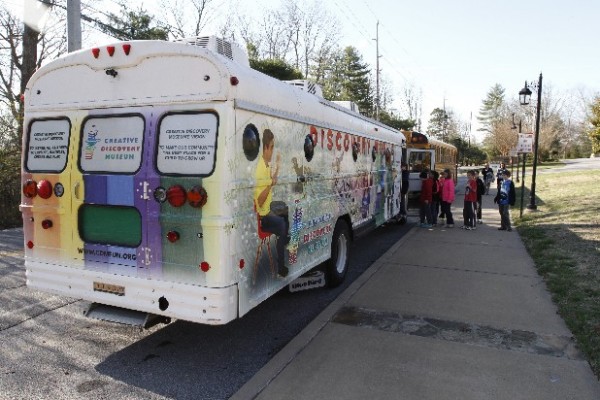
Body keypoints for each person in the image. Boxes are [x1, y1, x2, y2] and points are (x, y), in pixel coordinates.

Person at [254, 129, 290, 277]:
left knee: (284, 208)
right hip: (264, 215)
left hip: (269, 207)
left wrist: (278, 167)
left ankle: (283, 237)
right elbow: (260, 202)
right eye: (272, 147)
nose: (273, 150)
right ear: (266, 147)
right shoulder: (259, 168)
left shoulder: (266, 163)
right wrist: (270, 183)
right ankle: (281, 267)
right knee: (281, 223)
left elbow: (272, 182)